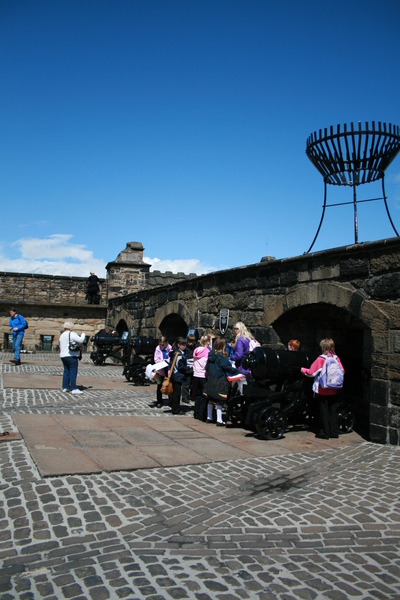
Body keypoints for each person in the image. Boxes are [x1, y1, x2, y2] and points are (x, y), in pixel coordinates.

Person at [300, 338, 345, 439]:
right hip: (334, 389)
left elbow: (311, 372)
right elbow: (342, 371)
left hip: (323, 389)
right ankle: (334, 431)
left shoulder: (321, 359)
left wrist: (302, 370)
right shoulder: (336, 358)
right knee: (333, 411)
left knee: (323, 411)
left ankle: (325, 432)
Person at [205, 337, 242, 426]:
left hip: (211, 379)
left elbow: (206, 367)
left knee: (210, 398)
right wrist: (237, 371)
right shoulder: (222, 356)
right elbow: (227, 367)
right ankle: (219, 419)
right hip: (220, 380)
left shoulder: (210, 354)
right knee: (219, 400)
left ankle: (209, 417)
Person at [59, 321, 86, 394]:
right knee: (73, 371)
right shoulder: (72, 334)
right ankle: (73, 388)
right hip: (71, 355)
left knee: (66, 371)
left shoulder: (62, 335)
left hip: (63, 355)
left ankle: (65, 387)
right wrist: (83, 334)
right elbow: (81, 340)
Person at [192, 335, 211, 421]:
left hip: (195, 375)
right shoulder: (207, 351)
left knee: (197, 396)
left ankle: (196, 413)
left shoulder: (196, 350)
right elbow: (205, 364)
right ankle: (201, 414)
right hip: (203, 375)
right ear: (207, 342)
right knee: (204, 396)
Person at [168, 337, 188, 415]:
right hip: (178, 376)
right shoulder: (178, 354)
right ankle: (176, 409)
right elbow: (179, 366)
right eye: (183, 344)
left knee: (174, 393)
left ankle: (174, 406)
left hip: (174, 375)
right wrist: (187, 368)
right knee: (177, 393)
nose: (184, 346)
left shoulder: (174, 352)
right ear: (179, 345)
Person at [153, 336, 172, 407]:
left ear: (167, 343)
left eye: (163, 345)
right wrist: (160, 362)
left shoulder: (170, 348)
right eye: (160, 344)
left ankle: (171, 400)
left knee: (169, 384)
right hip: (160, 368)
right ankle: (159, 401)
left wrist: (166, 361)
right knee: (159, 385)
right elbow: (156, 358)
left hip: (168, 368)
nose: (162, 346)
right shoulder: (158, 348)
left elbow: (171, 357)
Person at [182, 333, 196, 403]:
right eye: (190, 342)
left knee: (192, 384)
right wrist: (191, 359)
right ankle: (184, 397)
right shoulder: (186, 348)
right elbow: (185, 357)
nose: (191, 343)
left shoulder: (194, 347)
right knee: (186, 383)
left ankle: (191, 396)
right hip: (188, 368)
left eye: (192, 342)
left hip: (193, 367)